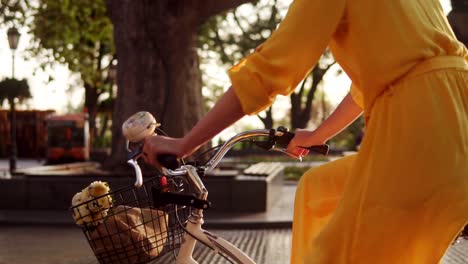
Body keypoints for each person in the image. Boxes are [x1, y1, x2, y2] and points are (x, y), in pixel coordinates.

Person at [142, 0, 468, 263]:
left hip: (421, 129)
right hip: (455, 117)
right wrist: (318, 135)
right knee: (317, 187)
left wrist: (185, 143)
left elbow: (269, 71)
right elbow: (374, 83)